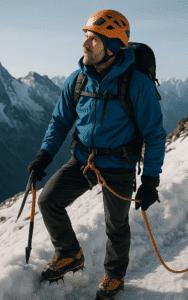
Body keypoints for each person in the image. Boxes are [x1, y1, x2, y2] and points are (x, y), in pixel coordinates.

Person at [27, 9, 166, 300]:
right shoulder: (77, 80)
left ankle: (114, 277)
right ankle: (69, 254)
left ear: (112, 45)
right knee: (50, 200)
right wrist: (44, 156)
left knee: (115, 224)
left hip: (119, 164)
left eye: (93, 39)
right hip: (84, 160)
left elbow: (154, 134)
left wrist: (150, 180)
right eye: (86, 37)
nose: (85, 44)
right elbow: (60, 121)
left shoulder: (137, 84)